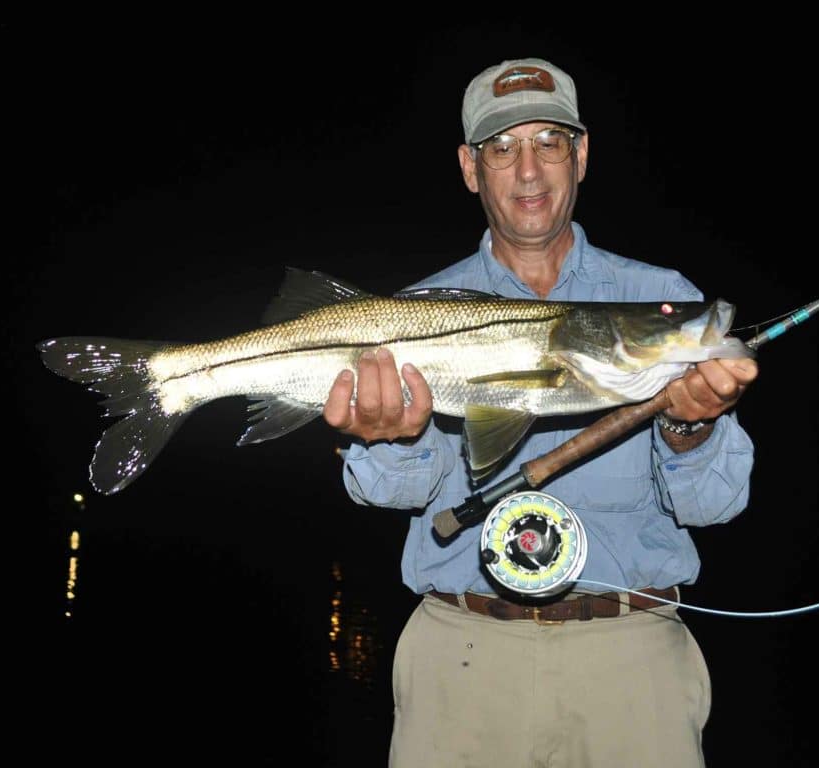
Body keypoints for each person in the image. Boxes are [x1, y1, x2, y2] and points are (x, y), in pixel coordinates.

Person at [323, 57, 759, 767]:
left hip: (633, 658)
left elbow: (716, 504)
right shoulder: (413, 315)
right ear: (470, 168)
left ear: (581, 155)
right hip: (462, 657)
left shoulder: (661, 297)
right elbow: (392, 492)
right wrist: (387, 440)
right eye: (502, 149)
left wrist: (691, 425)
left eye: (548, 142)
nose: (528, 171)